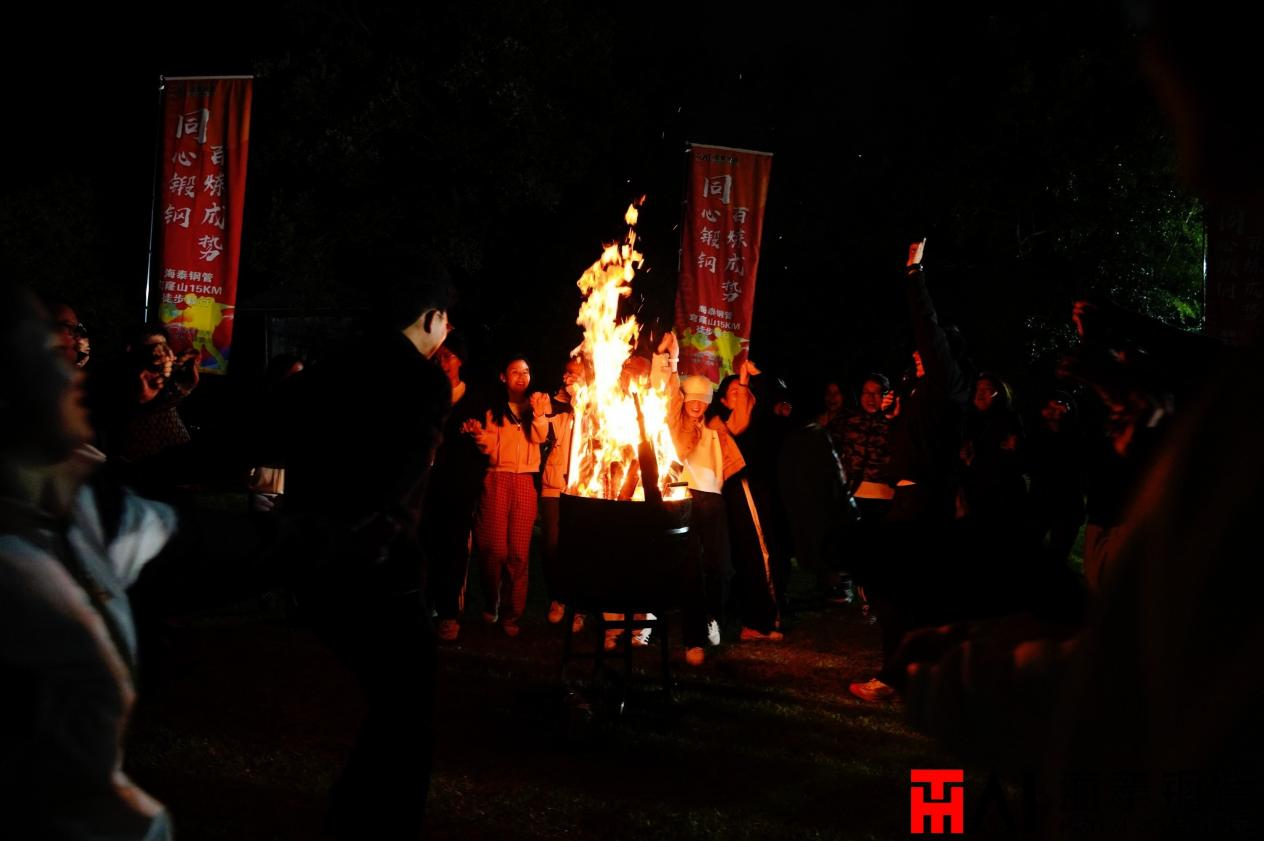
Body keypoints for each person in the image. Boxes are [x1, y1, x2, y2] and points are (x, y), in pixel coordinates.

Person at [1, 281, 177, 840]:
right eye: (50, 344)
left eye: (78, 333)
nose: (74, 355)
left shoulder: (76, 508)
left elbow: (174, 526)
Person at [282, 272, 453, 840]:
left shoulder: (332, 367)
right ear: (430, 318)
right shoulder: (421, 380)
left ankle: (353, 814)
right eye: (446, 320)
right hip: (377, 561)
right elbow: (404, 470)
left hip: (316, 554)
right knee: (409, 708)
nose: (447, 331)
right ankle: (377, 822)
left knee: (390, 705)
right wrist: (377, 523)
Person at [657, 333, 753, 666]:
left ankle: (712, 616)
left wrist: (743, 381)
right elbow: (669, 391)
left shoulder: (716, 426)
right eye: (692, 400)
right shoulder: (675, 422)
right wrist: (672, 359)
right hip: (683, 499)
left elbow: (741, 420)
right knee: (690, 570)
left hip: (714, 501)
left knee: (721, 568)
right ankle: (693, 639)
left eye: (702, 400)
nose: (696, 405)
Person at [463, 355, 550, 638]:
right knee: (493, 550)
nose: (522, 376)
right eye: (515, 372)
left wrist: (539, 414)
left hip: (525, 480)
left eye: (526, 371)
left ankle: (512, 614)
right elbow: (489, 447)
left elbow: (539, 437)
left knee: (518, 554)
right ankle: (492, 601)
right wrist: (478, 434)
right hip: (496, 478)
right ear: (503, 377)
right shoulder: (494, 409)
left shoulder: (537, 404)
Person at [423, 333, 489, 643]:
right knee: (424, 546)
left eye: (448, 356)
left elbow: (489, 446)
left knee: (453, 548)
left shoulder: (475, 399)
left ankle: (449, 613)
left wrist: (477, 435)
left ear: (460, 360)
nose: (442, 362)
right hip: (426, 484)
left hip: (460, 487)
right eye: (438, 357)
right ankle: (425, 609)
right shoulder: (427, 395)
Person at [540, 357, 586, 634]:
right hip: (555, 485)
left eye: (576, 374)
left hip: (584, 488)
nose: (570, 378)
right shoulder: (552, 404)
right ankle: (557, 598)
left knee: (580, 547)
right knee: (552, 545)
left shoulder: (597, 403)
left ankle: (579, 607)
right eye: (567, 373)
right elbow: (542, 437)